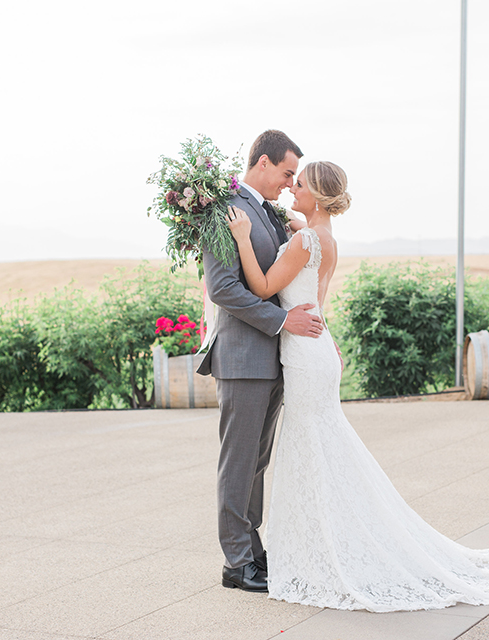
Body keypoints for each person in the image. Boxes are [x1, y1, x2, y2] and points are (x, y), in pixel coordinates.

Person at [227, 161, 489, 611]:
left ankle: (324, 546)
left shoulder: (304, 240)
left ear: (317, 194)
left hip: (305, 353)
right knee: (322, 446)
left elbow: (261, 284)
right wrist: (292, 220)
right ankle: (324, 540)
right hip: (317, 348)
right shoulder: (323, 238)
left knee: (311, 447)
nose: (292, 189)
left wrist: (241, 240)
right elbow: (304, 246)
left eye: (300, 184)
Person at [197, 130, 325, 593]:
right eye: (288, 172)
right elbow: (223, 288)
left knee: (257, 461)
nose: (289, 182)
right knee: (238, 463)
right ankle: (236, 563)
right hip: (243, 357)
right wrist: (281, 321)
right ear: (264, 162)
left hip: (271, 359)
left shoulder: (266, 210)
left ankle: (253, 551)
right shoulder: (225, 208)